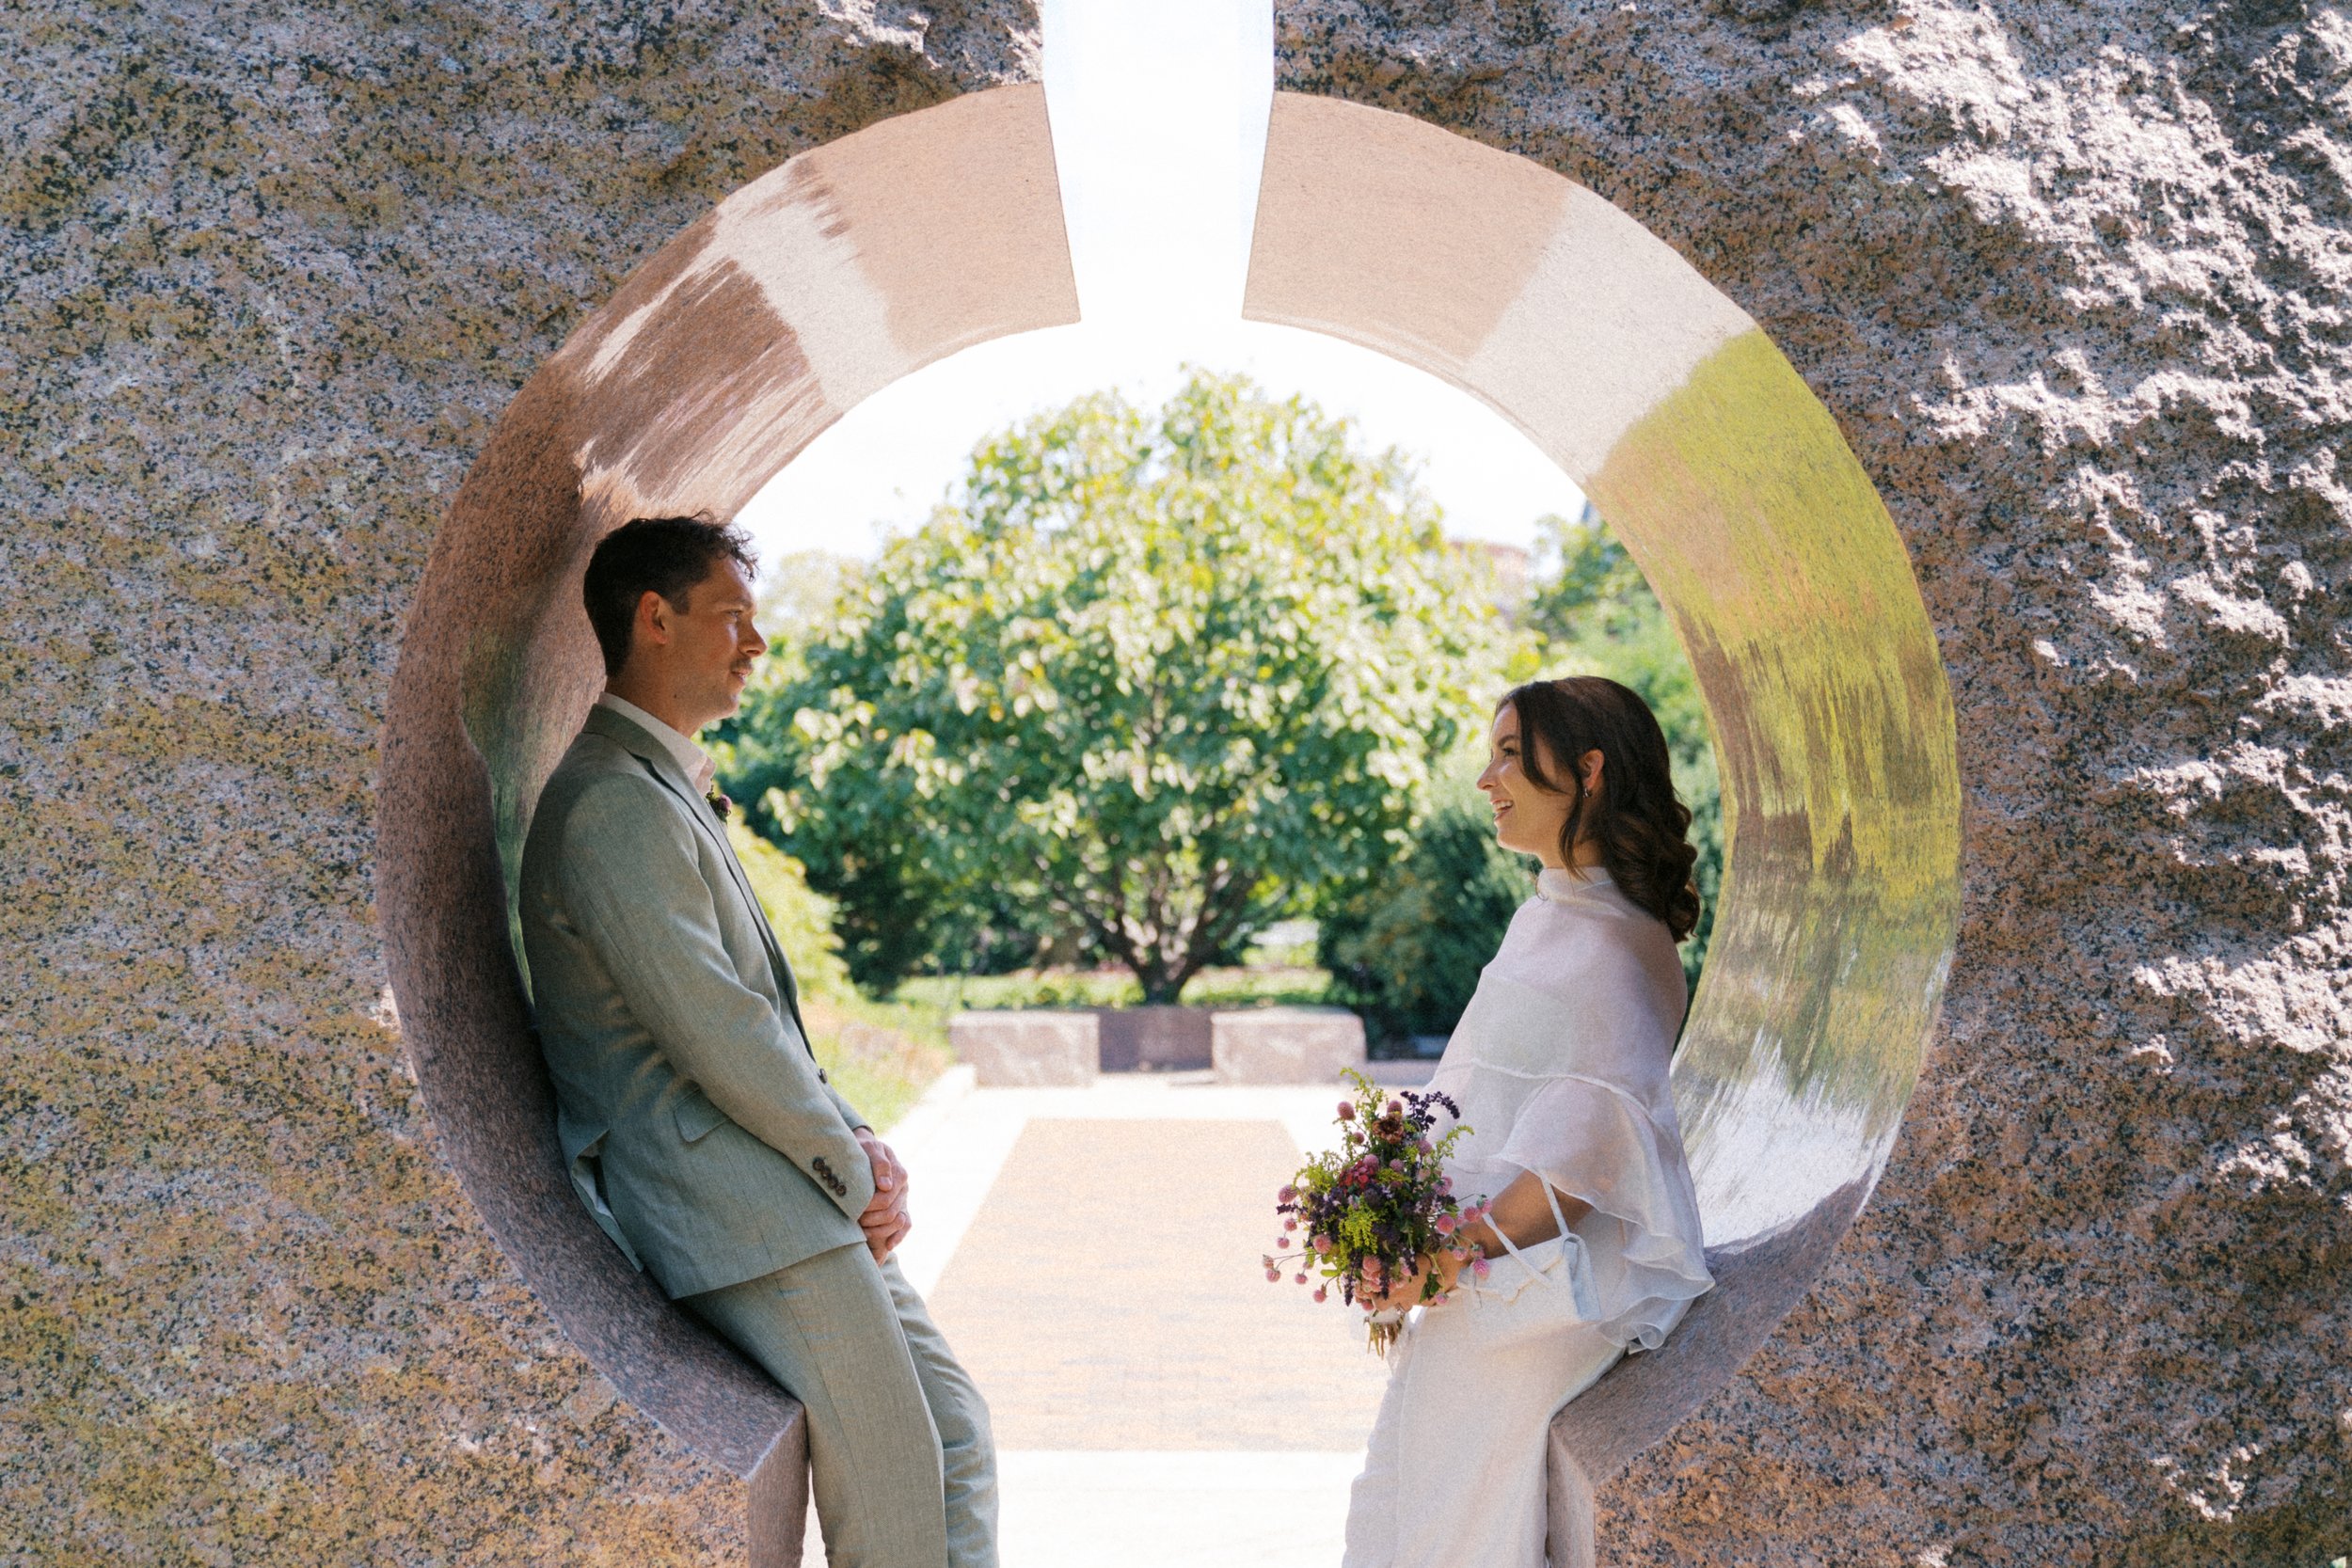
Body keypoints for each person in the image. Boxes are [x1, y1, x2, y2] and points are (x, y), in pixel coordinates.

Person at [518, 515, 996, 1568]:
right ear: (654, 617)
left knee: (956, 1431)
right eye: (733, 615)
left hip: (784, 1199)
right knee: (898, 1483)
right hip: (730, 1208)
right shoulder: (608, 804)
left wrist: (859, 1134)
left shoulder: (656, 786)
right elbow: (720, 1029)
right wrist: (846, 1162)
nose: (756, 642)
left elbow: (758, 1014)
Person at [1343, 675, 1715, 1568]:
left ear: (1587, 770)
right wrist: (1392, 1222)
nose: (1488, 776)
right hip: (1488, 1281)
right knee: (1401, 1507)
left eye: (1511, 752)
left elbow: (1590, 1153)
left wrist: (1437, 1256)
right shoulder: (1554, 909)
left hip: (1536, 1297)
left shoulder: (1618, 944)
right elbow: (1486, 1093)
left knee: (1453, 1535)